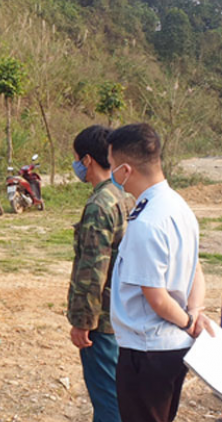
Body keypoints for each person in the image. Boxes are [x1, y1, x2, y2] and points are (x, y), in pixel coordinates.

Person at [107, 123, 215, 422]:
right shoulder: (178, 206)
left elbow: (156, 298)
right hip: (168, 350)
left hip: (147, 350)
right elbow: (196, 268)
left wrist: (189, 321)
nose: (112, 174)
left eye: (113, 166)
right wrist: (194, 310)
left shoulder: (147, 222)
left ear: (126, 170)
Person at [67, 125, 134, 422]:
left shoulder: (99, 204)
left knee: (107, 398)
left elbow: (93, 271)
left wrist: (83, 322)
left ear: (88, 160)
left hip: (103, 322)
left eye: (77, 160)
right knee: (121, 392)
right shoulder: (125, 196)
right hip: (124, 314)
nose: (77, 167)